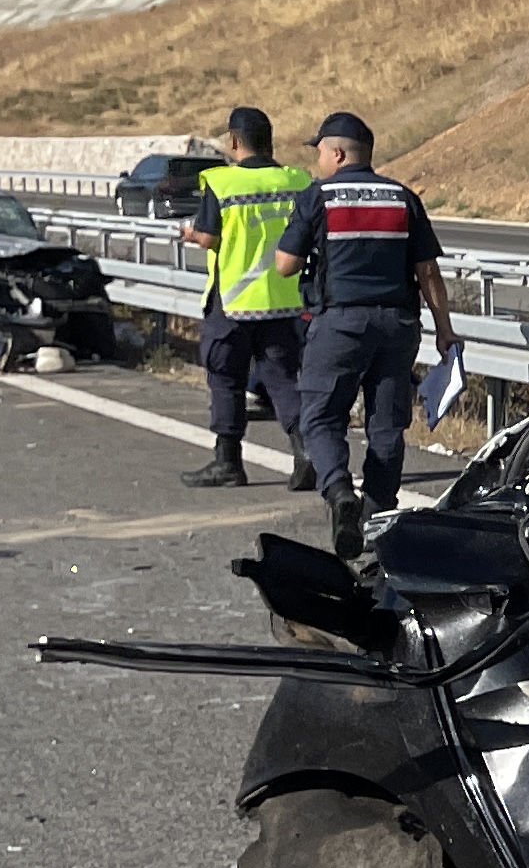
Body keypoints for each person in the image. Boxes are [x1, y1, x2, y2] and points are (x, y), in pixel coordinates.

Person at [269, 112, 461, 560]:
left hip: (340, 324)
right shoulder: (402, 197)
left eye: (319, 151)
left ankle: (340, 494)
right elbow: (428, 270)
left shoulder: (318, 196)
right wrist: (445, 329)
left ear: (337, 153)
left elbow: (284, 264)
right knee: (387, 424)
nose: (317, 159)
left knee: (320, 417)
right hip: (398, 326)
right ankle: (378, 516)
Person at [177, 106, 314, 489]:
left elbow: (208, 237)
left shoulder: (221, 184)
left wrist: (189, 235)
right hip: (284, 300)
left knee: (226, 380)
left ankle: (228, 462)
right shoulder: (298, 180)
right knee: (283, 379)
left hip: (233, 303)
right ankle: (306, 455)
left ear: (234, 141)